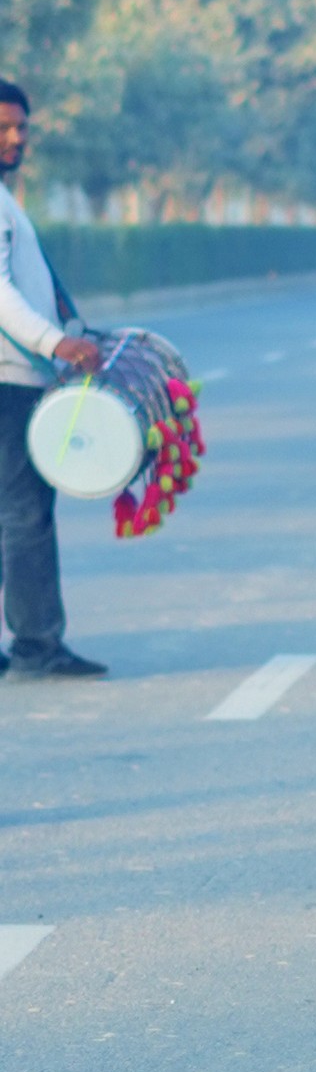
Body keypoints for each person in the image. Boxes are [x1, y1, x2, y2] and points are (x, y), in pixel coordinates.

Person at [0, 78, 109, 680]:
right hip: (9, 380)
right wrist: (56, 342)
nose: (16, 138)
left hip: (17, 376)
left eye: (21, 127)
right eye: (4, 127)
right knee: (25, 515)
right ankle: (38, 645)